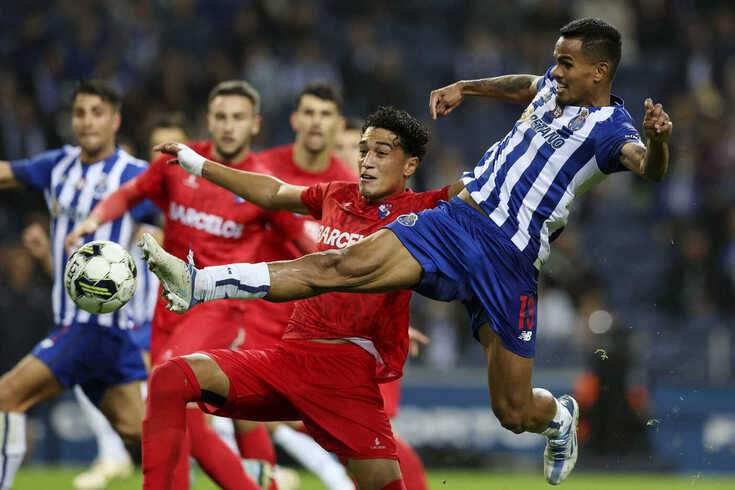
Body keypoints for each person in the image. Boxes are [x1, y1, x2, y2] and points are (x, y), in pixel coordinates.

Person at [144, 18, 673, 486]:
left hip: (510, 260)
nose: (554, 71)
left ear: (600, 71)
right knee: (342, 265)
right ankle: (198, 283)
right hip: (458, 222)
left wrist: (659, 142)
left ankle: (558, 418)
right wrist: (467, 87)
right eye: (555, 60)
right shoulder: (551, 90)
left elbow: (647, 167)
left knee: (513, 411)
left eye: (566, 63)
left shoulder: (612, 130)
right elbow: (523, 85)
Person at [139, 105, 464, 490]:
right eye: (363, 151)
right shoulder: (337, 195)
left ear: (410, 165)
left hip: (346, 381)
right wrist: (200, 165)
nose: (367, 161)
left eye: (381, 152)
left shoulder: (425, 211)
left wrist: (524, 119)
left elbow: (478, 188)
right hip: (289, 360)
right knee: (169, 378)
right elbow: (273, 192)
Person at [0, 81, 159, 489]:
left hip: (94, 325)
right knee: (140, 434)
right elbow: (8, 173)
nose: (87, 121)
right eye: (80, 113)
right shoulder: (59, 165)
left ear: (115, 120)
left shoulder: (135, 176)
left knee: (6, 397)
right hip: (102, 335)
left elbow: (172, 225)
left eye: (97, 113)